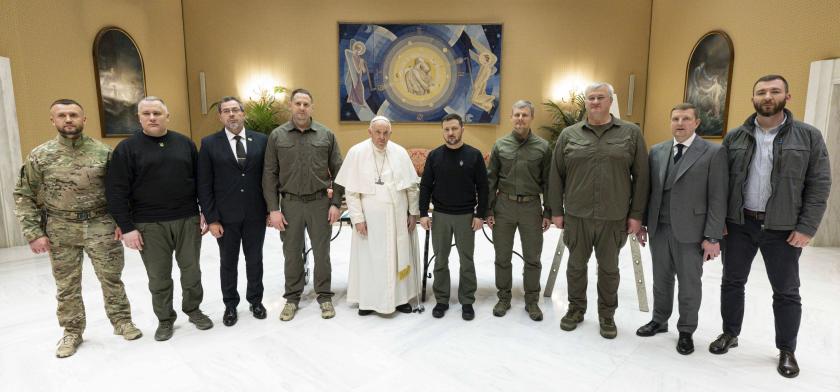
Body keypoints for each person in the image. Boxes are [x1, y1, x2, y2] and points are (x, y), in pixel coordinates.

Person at [709, 75, 831, 378]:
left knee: (787, 291)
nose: (767, 96)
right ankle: (730, 333)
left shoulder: (808, 136)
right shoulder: (735, 137)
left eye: (774, 91)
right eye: (761, 91)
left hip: (782, 228)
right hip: (739, 225)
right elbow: (720, 185)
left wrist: (807, 227)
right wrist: (720, 221)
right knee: (732, 282)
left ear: (787, 96)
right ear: (753, 99)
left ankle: (787, 350)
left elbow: (819, 184)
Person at [14, 99, 142, 358]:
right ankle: (72, 332)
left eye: (73, 115)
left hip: (101, 224)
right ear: (53, 121)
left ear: (84, 119)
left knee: (111, 278)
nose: (68, 119)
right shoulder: (40, 155)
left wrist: (122, 222)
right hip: (61, 227)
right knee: (67, 285)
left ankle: (122, 322)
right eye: (62, 115)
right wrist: (34, 232)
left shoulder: (104, 153)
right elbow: (23, 194)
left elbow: (121, 191)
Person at [106, 96, 213, 341]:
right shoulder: (127, 149)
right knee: (159, 276)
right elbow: (116, 191)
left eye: (157, 113)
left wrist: (205, 210)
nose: (152, 117)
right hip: (149, 224)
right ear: (139, 118)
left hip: (187, 219)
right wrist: (127, 227)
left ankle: (193, 309)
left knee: (191, 271)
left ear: (167, 116)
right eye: (146, 114)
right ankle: (165, 319)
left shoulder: (185, 144)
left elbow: (201, 182)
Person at [549, 82, 649, 338]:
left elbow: (642, 177)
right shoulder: (569, 135)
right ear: (586, 102)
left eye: (600, 97)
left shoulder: (631, 133)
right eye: (591, 98)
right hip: (577, 215)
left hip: (613, 216)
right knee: (575, 267)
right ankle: (575, 309)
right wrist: (556, 211)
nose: (595, 102)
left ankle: (607, 316)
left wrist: (636, 215)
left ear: (610, 100)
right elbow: (556, 176)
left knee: (609, 270)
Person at [635, 103, 727, 355]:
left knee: (689, 284)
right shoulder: (657, 151)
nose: (680, 123)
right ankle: (659, 320)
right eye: (675, 118)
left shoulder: (712, 153)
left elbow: (718, 198)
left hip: (692, 231)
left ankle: (686, 330)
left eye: (686, 118)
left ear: (697, 122)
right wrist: (643, 222)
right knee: (661, 279)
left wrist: (712, 236)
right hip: (659, 228)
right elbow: (648, 191)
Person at [263, 88, 343, 321]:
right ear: (290, 105)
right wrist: (273, 209)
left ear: (312, 107)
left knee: (322, 252)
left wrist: (336, 203)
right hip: (290, 205)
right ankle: (292, 297)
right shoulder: (277, 136)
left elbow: (340, 171)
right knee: (291, 253)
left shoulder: (325, 135)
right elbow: (269, 174)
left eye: (306, 104)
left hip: (319, 202)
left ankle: (325, 296)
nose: (301, 108)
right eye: (297, 103)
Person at [335, 115, 422, 316]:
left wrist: (413, 213)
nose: (381, 137)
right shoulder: (356, 152)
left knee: (399, 256)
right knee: (370, 259)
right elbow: (352, 192)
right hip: (370, 221)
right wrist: (357, 219)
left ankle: (400, 300)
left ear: (390, 133)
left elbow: (411, 187)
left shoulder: (399, 153)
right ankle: (368, 301)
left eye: (385, 133)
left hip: (398, 217)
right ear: (370, 132)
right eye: (378, 133)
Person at [198, 96, 268, 327]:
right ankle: (230, 305)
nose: (232, 114)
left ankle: (255, 300)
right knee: (228, 262)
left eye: (235, 110)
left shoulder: (261, 140)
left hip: (255, 214)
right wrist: (212, 218)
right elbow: (204, 184)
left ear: (243, 113)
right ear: (220, 116)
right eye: (226, 111)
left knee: (255, 260)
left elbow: (268, 179)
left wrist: (270, 209)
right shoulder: (209, 143)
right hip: (225, 218)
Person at [486, 100, 552, 321]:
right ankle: (503, 297)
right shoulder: (500, 145)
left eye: (524, 115)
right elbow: (491, 181)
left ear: (531, 117)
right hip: (503, 206)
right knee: (502, 256)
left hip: (531, 207)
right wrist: (488, 210)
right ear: (511, 117)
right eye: (516, 115)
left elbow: (549, 183)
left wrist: (548, 212)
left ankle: (532, 300)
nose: (520, 119)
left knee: (533, 257)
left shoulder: (543, 147)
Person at [419, 113, 489, 320]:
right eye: (447, 129)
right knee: (441, 260)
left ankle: (467, 301)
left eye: (454, 129)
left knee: (466, 260)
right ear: (443, 131)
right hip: (440, 215)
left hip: (466, 217)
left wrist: (480, 215)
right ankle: (442, 299)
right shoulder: (434, 156)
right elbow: (425, 186)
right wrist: (423, 213)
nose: (450, 133)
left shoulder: (474, 156)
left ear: (462, 129)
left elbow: (483, 188)